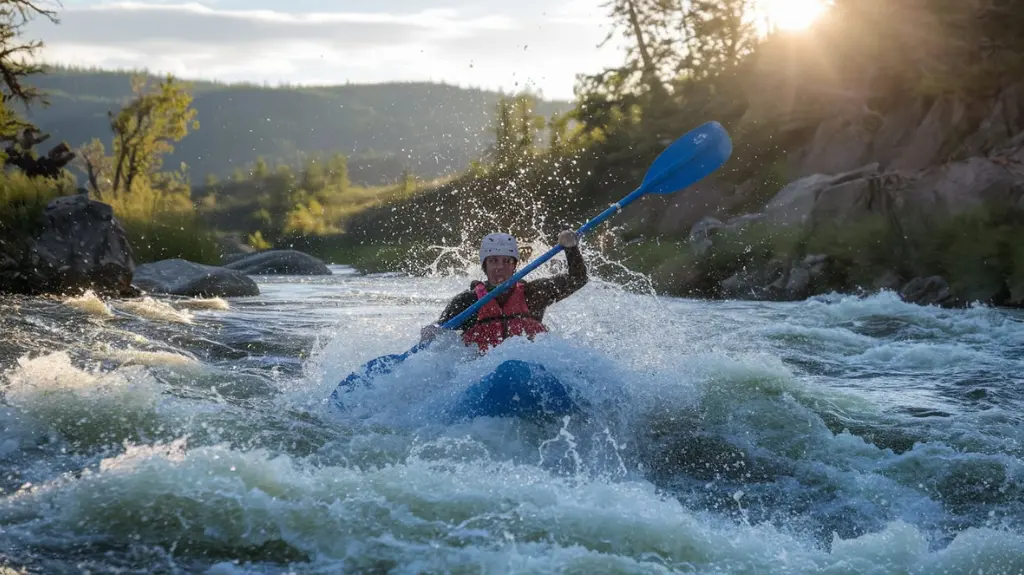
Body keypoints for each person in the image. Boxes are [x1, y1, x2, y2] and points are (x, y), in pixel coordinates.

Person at [420, 230, 587, 353]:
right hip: (482, 372)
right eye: (493, 261)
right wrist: (432, 330)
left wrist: (571, 248)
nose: (500, 267)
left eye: (507, 261)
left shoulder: (533, 293)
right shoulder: (467, 302)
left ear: (514, 266)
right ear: (485, 266)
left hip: (531, 370)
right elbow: (441, 332)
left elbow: (578, 278)